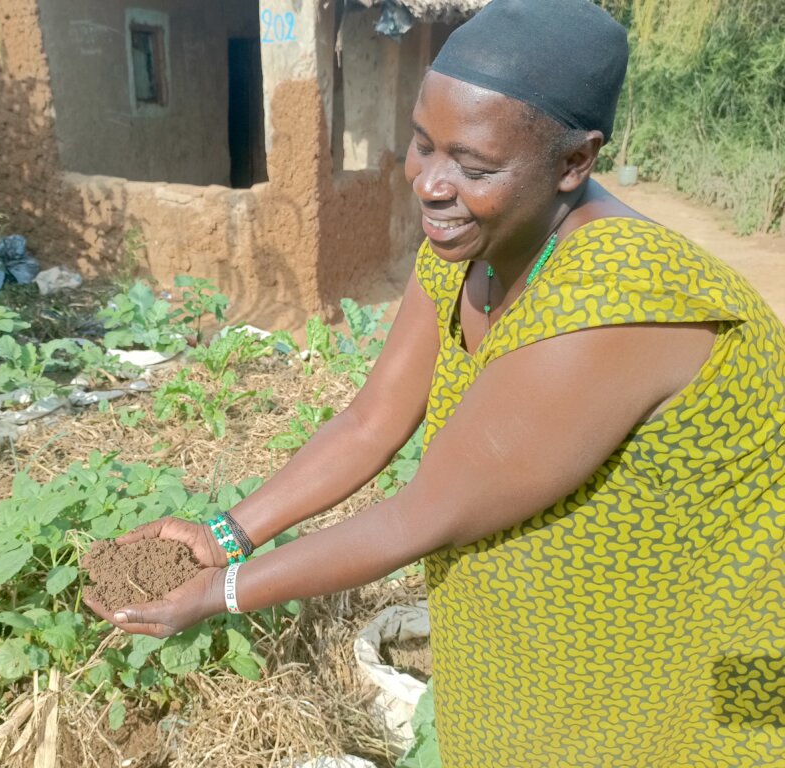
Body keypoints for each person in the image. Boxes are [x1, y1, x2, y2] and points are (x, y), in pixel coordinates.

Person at [85, 0, 785, 763]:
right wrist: (224, 536)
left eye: (473, 167)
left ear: (574, 164)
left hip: (679, 652)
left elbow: (420, 515)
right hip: (541, 638)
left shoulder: (617, 298)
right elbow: (373, 420)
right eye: (423, 145)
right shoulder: (479, 240)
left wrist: (219, 594)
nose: (430, 183)